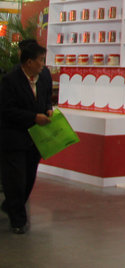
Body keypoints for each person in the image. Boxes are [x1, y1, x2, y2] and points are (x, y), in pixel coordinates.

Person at [0, 39, 54, 234]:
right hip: (14, 139)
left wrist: (48, 110)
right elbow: (7, 110)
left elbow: (46, 100)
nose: (43, 64)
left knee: (29, 179)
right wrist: (33, 117)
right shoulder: (10, 81)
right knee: (16, 180)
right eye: (40, 60)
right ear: (29, 62)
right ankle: (18, 221)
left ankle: (11, 206)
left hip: (35, 140)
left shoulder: (42, 79)